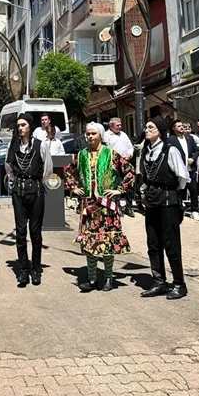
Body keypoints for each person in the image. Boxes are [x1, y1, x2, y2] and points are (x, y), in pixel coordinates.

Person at [64, 123, 134, 292]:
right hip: (88, 205)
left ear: (100, 135)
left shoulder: (111, 154)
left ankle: (109, 278)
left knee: (108, 242)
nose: (89, 136)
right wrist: (74, 187)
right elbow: (67, 172)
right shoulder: (81, 155)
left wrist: (119, 190)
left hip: (106, 206)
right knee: (90, 242)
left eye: (93, 133)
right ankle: (92, 278)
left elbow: (129, 172)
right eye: (87, 133)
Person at [140, 117, 190, 300]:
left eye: (151, 127)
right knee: (153, 243)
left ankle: (179, 284)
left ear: (160, 130)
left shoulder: (171, 150)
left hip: (168, 200)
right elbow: (145, 176)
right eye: (146, 127)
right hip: (152, 200)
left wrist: (173, 192)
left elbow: (182, 177)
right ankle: (159, 282)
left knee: (171, 243)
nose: (146, 130)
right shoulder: (146, 150)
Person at [5, 114, 53, 287]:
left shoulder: (41, 146)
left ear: (30, 127)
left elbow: (48, 169)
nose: (20, 128)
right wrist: (19, 181)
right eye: (18, 125)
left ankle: (36, 269)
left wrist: (34, 182)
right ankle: (24, 269)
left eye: (23, 125)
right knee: (20, 231)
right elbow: (9, 168)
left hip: (36, 191)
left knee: (35, 232)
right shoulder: (13, 146)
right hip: (19, 191)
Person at [169, 119, 199, 220]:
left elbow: (196, 150)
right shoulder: (171, 140)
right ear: (173, 128)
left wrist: (193, 158)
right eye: (178, 126)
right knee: (179, 190)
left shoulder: (190, 138)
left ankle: (194, 210)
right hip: (178, 170)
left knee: (193, 190)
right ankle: (179, 208)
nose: (181, 127)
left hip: (190, 169)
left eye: (182, 125)